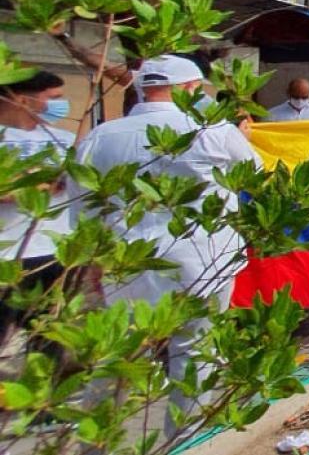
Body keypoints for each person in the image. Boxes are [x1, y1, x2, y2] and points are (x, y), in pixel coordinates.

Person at [73, 55, 260, 438]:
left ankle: (94, 442)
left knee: (117, 356)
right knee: (194, 358)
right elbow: (254, 173)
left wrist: (90, 264)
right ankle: (185, 444)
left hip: (125, 265)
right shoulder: (210, 129)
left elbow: (81, 203)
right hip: (202, 263)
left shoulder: (101, 136)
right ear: (191, 89)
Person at [0, 71, 76, 345]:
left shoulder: (65, 140)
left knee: (47, 339)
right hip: (6, 253)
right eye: (53, 99)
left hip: (53, 251)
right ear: (21, 99)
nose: (60, 105)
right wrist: (36, 182)